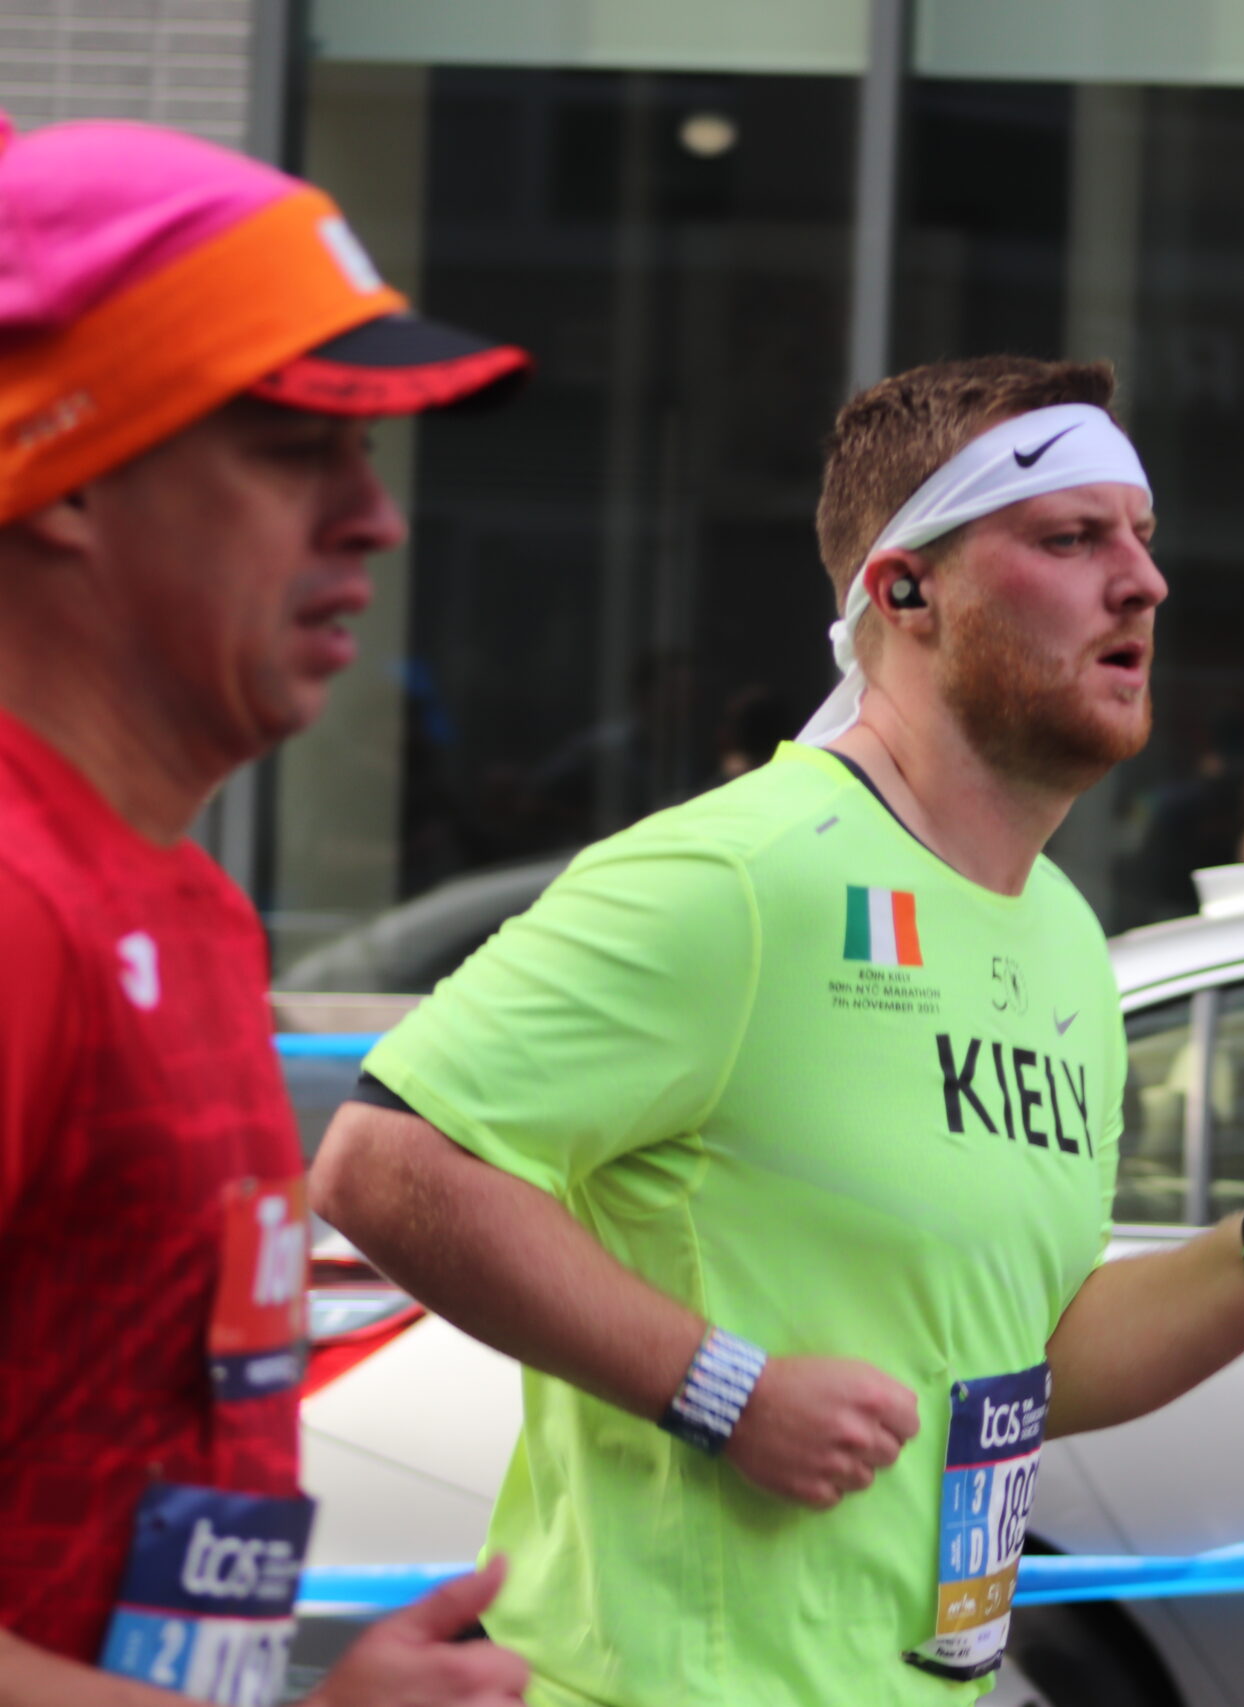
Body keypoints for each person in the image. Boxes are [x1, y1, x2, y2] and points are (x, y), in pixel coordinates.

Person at [309, 355, 1244, 1706]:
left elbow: (1019, 1355)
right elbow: (387, 1162)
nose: (1143, 582)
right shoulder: (745, 873)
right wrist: (725, 1389)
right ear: (906, 588)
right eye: (1070, 537)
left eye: (1143, 538)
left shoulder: (1057, 932)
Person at [0, 114, 532, 1704]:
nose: (376, 517)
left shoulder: (183, 903)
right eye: (296, 443)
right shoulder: (20, 902)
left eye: (367, 454)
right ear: (70, 473)